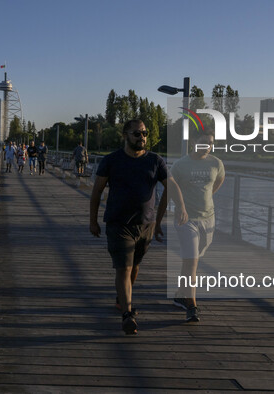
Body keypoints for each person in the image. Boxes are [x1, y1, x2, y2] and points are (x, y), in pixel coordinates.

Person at [89, 119, 188, 335]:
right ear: (125, 135)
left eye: (144, 133)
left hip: (145, 225)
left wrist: (181, 207)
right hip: (118, 223)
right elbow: (97, 191)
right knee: (123, 267)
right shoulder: (111, 161)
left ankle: (122, 299)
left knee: (134, 267)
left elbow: (171, 185)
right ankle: (127, 314)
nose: (141, 137)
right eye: (136, 134)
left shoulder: (155, 161)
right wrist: (93, 220)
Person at [170, 132, 225, 322]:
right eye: (203, 143)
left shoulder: (216, 163)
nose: (207, 146)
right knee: (192, 262)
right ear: (194, 142)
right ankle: (192, 305)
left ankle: (180, 294)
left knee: (192, 260)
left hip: (208, 218)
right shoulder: (180, 165)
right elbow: (170, 189)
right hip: (186, 219)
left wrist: (207, 197)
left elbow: (218, 181)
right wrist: (176, 208)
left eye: (210, 143)